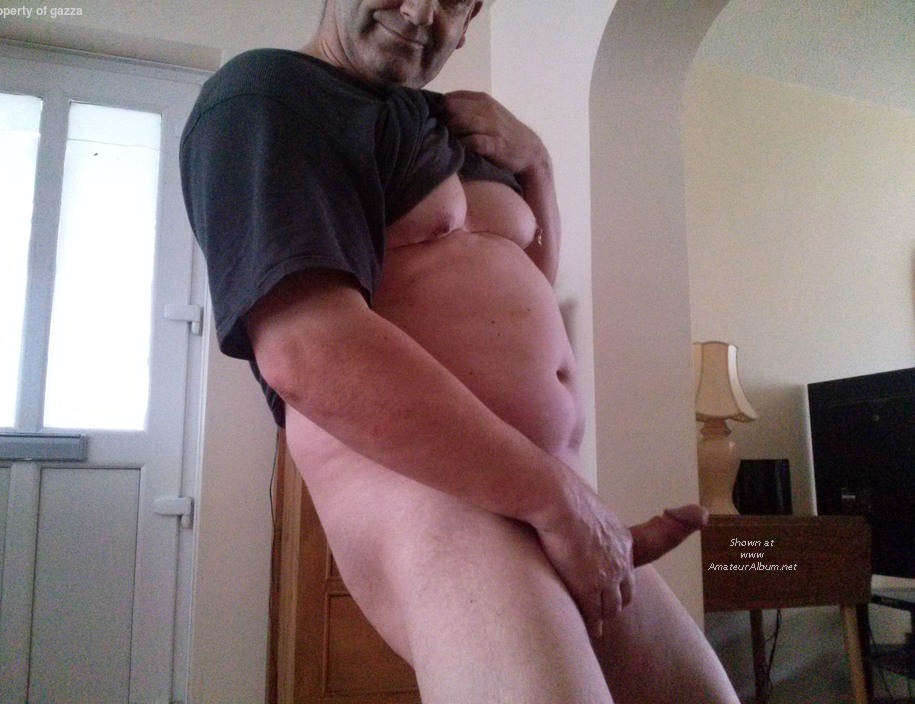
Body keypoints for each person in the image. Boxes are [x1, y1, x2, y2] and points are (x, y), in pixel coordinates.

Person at [180, 1, 740, 701]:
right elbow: (308, 352)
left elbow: (523, 291)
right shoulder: (266, 95)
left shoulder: (452, 125)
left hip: (544, 490)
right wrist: (560, 503)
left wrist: (538, 166)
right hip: (433, 497)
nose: (422, 11)